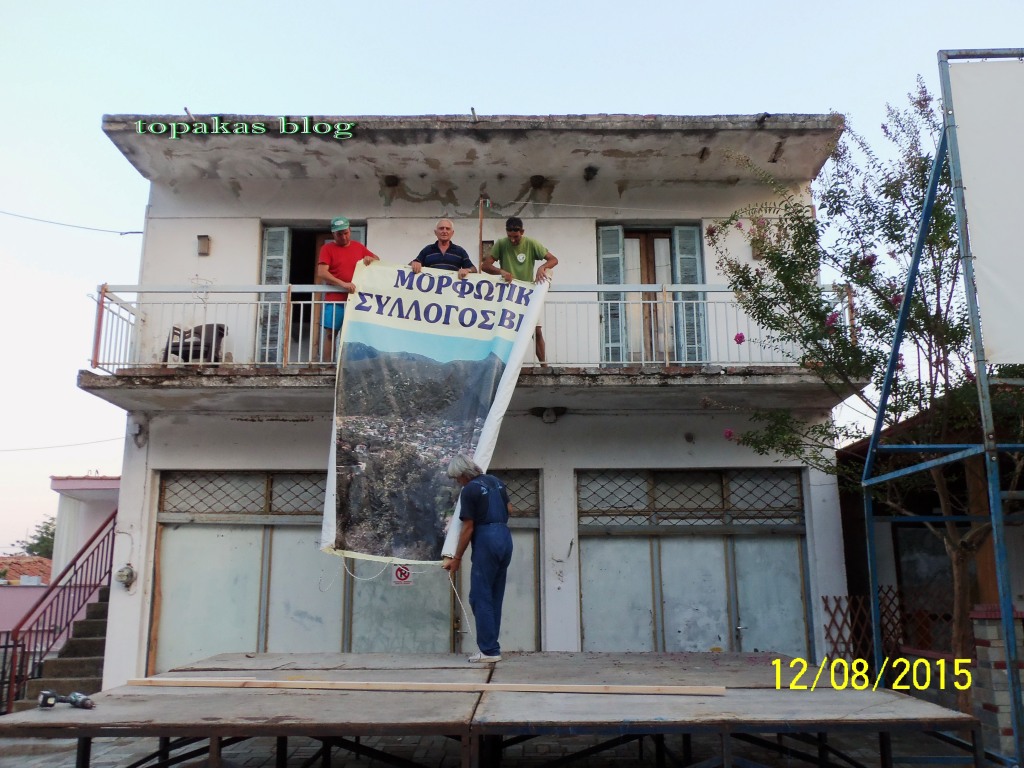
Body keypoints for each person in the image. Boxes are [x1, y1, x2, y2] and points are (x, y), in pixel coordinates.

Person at [443, 454, 513, 663]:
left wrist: (457, 557)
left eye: (457, 478)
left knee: (480, 596)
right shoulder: (496, 481)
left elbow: (468, 527)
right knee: (495, 595)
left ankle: (489, 651)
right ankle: (493, 647)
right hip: (504, 537)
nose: (458, 482)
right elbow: (510, 509)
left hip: (486, 538)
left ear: (463, 474)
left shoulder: (470, 489)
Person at [482, 216, 558, 364]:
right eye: (509, 236)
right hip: (508, 294)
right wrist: (501, 272)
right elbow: (485, 266)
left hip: (527, 294)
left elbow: (554, 259)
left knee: (536, 331)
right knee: (506, 332)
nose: (512, 240)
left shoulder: (531, 243)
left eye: (515, 237)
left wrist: (542, 267)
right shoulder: (501, 244)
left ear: (522, 232)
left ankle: (544, 365)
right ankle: (503, 365)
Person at [317, 216, 379, 355]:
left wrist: (370, 259)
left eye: (346, 233)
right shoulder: (327, 248)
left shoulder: (358, 246)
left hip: (356, 300)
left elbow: (377, 260)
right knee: (330, 334)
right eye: (339, 234)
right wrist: (343, 284)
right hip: (335, 300)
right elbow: (322, 272)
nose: (344, 237)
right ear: (333, 233)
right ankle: (328, 365)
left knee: (355, 336)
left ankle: (350, 365)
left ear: (350, 230)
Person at [410, 219, 476, 279]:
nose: (444, 231)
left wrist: (467, 270)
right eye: (441, 228)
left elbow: (473, 269)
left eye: (447, 229)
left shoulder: (460, 251)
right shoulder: (427, 250)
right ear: (435, 232)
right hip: (431, 287)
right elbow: (409, 267)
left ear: (452, 233)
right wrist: (414, 263)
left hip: (452, 288)